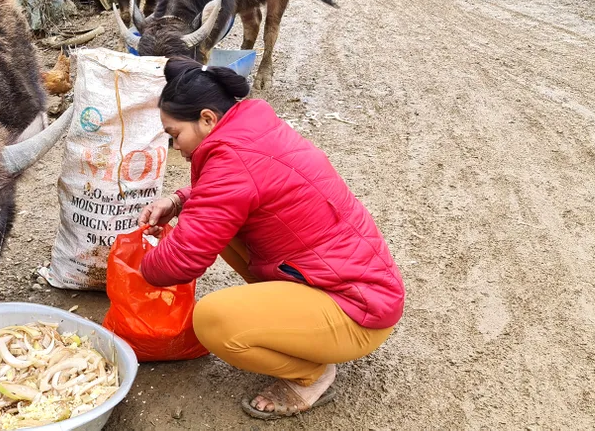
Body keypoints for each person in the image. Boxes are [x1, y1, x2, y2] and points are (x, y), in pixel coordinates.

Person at [138, 57, 406, 420]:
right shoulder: (249, 129)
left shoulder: (233, 160)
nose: (176, 148)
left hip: (359, 311)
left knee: (214, 321)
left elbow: (181, 262)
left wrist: (138, 264)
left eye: (175, 135)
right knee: (220, 229)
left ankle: (311, 374)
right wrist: (180, 199)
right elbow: (228, 193)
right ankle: (293, 326)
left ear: (206, 119)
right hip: (346, 281)